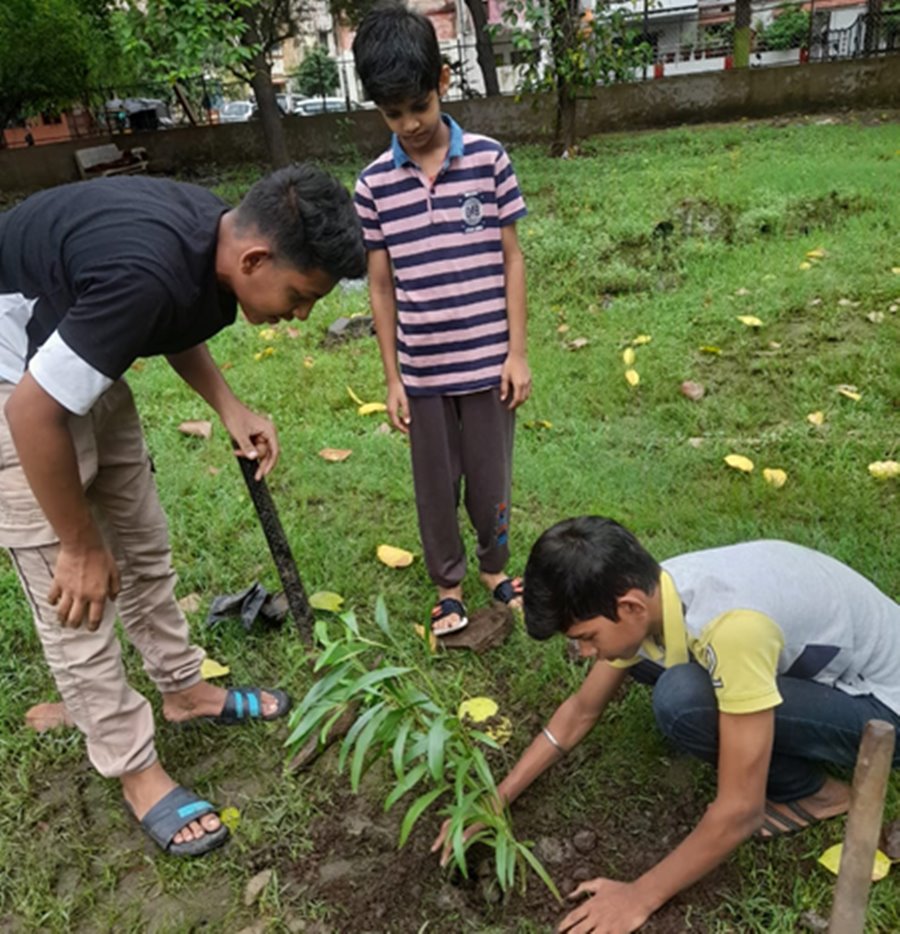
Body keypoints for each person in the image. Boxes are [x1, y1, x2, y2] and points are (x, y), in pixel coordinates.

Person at [0, 165, 365, 857]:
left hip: (74, 348)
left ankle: (183, 690)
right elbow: (32, 411)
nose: (300, 316)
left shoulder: (213, 234)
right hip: (14, 388)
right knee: (76, 595)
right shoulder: (149, 271)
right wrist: (77, 543)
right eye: (300, 296)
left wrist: (229, 406)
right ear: (255, 258)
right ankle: (135, 768)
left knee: (140, 545)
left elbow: (167, 317)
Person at [434, 516, 900, 932]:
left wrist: (639, 896)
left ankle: (816, 794)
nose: (584, 653)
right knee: (640, 660)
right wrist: (497, 800)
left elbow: (740, 810)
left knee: (683, 701)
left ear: (630, 606)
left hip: (884, 709)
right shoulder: (657, 588)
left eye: (586, 638)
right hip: (823, 667)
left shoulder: (732, 630)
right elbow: (581, 710)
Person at [352, 3, 532, 635]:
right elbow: (380, 285)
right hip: (422, 373)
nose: (408, 124)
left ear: (443, 83)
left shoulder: (488, 160)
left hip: (488, 366)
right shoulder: (373, 185)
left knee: (491, 477)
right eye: (392, 114)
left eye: (418, 108)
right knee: (435, 487)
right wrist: (393, 377)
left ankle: (494, 566)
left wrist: (517, 352)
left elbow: (512, 260)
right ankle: (448, 582)